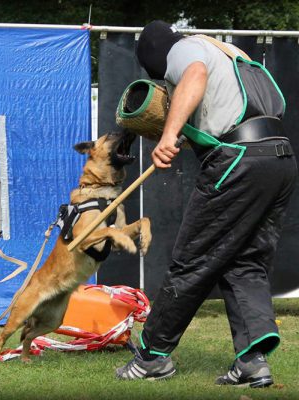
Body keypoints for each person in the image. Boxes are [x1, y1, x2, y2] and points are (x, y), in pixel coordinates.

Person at [116, 20, 297, 387]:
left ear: (156, 57)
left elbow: (194, 76)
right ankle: (251, 361)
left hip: (238, 160)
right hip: (279, 158)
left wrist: (168, 134)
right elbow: (229, 103)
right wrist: (186, 128)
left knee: (192, 259)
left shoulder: (182, 52)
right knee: (245, 261)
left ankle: (152, 357)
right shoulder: (229, 51)